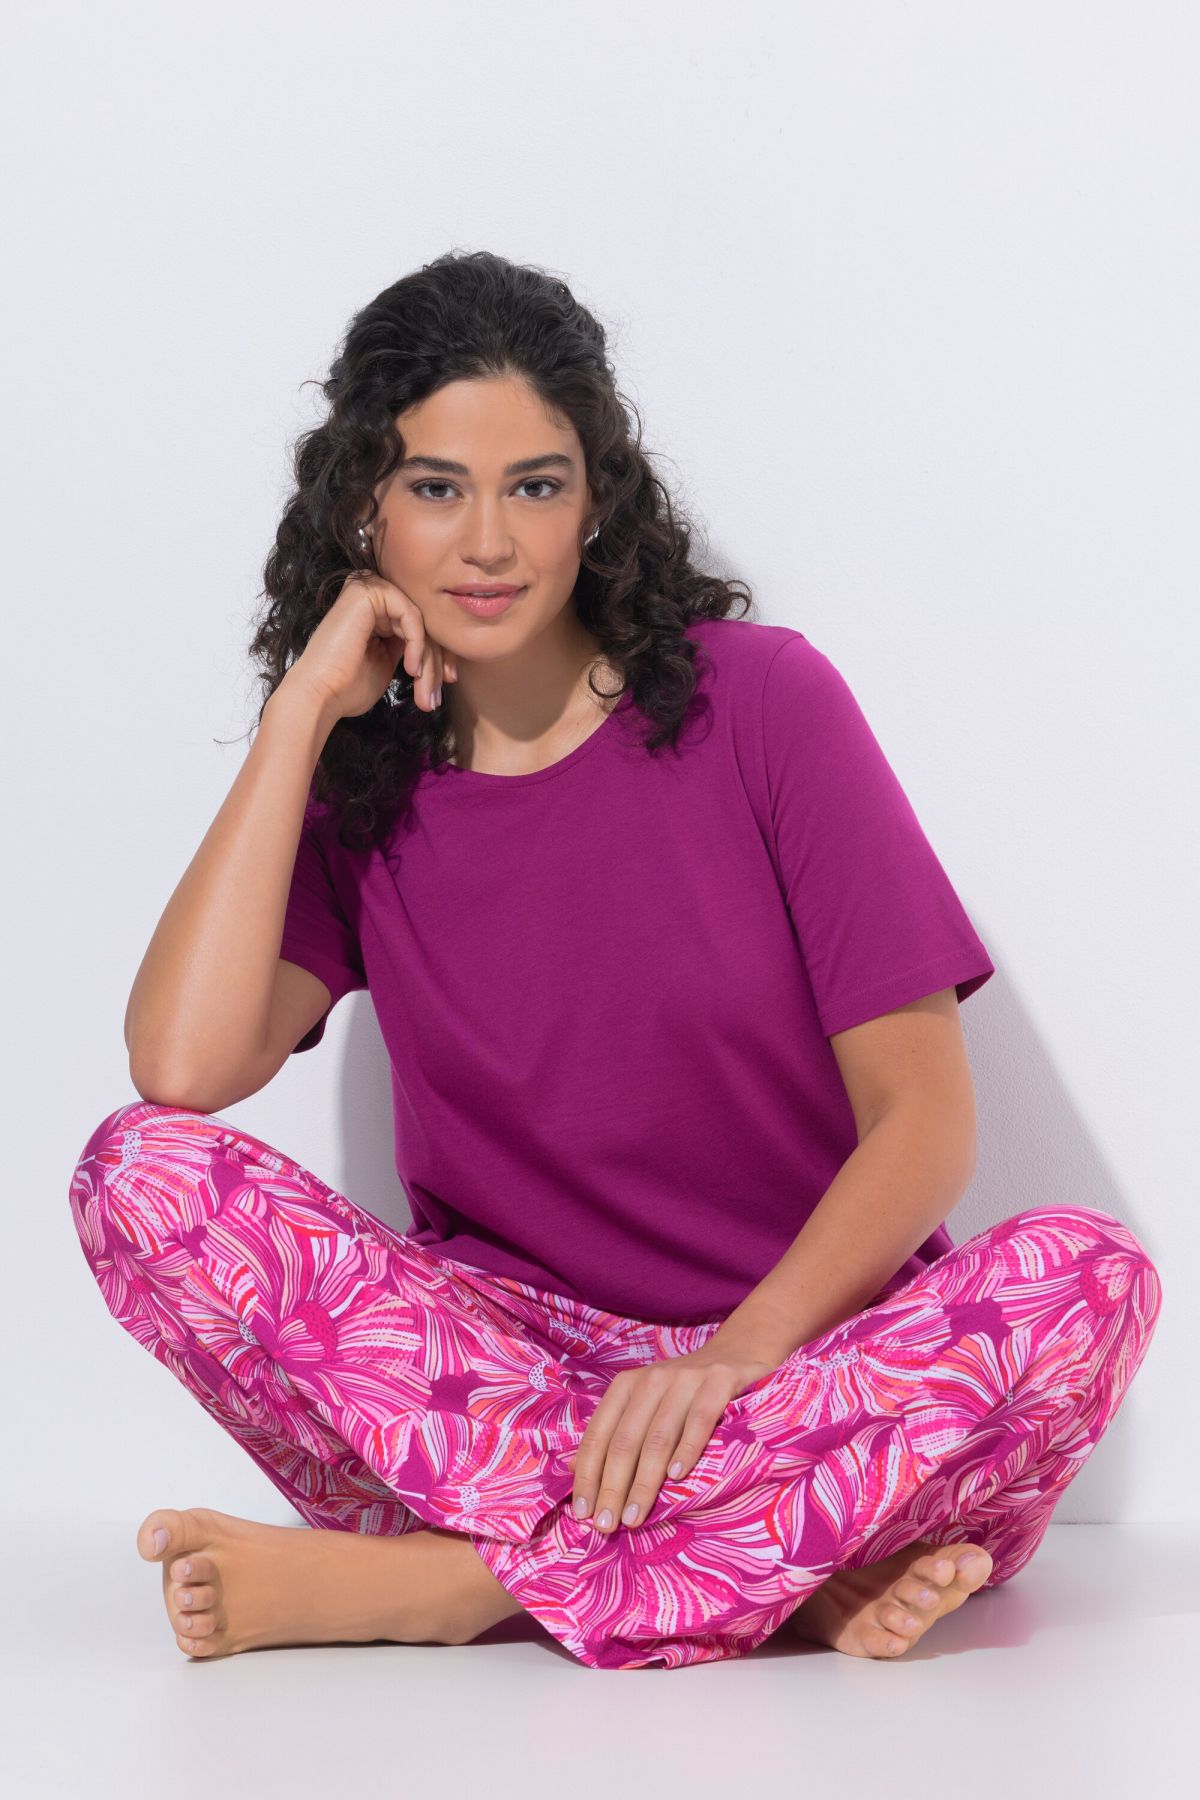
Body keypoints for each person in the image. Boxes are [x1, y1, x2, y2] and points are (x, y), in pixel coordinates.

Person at [69, 250, 1163, 1672]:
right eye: (435, 487)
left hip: (805, 1362)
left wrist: (737, 1361)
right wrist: (301, 713)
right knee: (137, 1179)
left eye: (535, 485)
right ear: (363, 508)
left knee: (1088, 1278)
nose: (488, 542)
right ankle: (778, 1564)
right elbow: (180, 1069)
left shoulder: (762, 703)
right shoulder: (360, 789)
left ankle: (464, 1587)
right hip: (518, 1385)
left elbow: (925, 1120)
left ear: (597, 501)